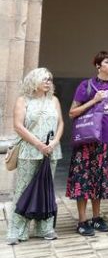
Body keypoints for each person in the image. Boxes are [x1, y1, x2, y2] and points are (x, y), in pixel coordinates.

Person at [67, 51, 108, 236]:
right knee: (83, 180)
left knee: (99, 181)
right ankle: (82, 220)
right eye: (107, 62)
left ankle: (96, 217)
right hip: (87, 140)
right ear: (98, 65)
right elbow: (72, 112)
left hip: (107, 141)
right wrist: (94, 100)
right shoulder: (86, 85)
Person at [7, 68, 64, 245]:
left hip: (51, 151)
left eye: (50, 79)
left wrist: (54, 142)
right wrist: (39, 144)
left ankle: (45, 228)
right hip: (29, 151)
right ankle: (17, 230)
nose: (48, 82)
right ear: (33, 81)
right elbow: (18, 126)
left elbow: (61, 123)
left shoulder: (53, 100)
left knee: (46, 189)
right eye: (44, 79)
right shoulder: (23, 100)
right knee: (23, 189)